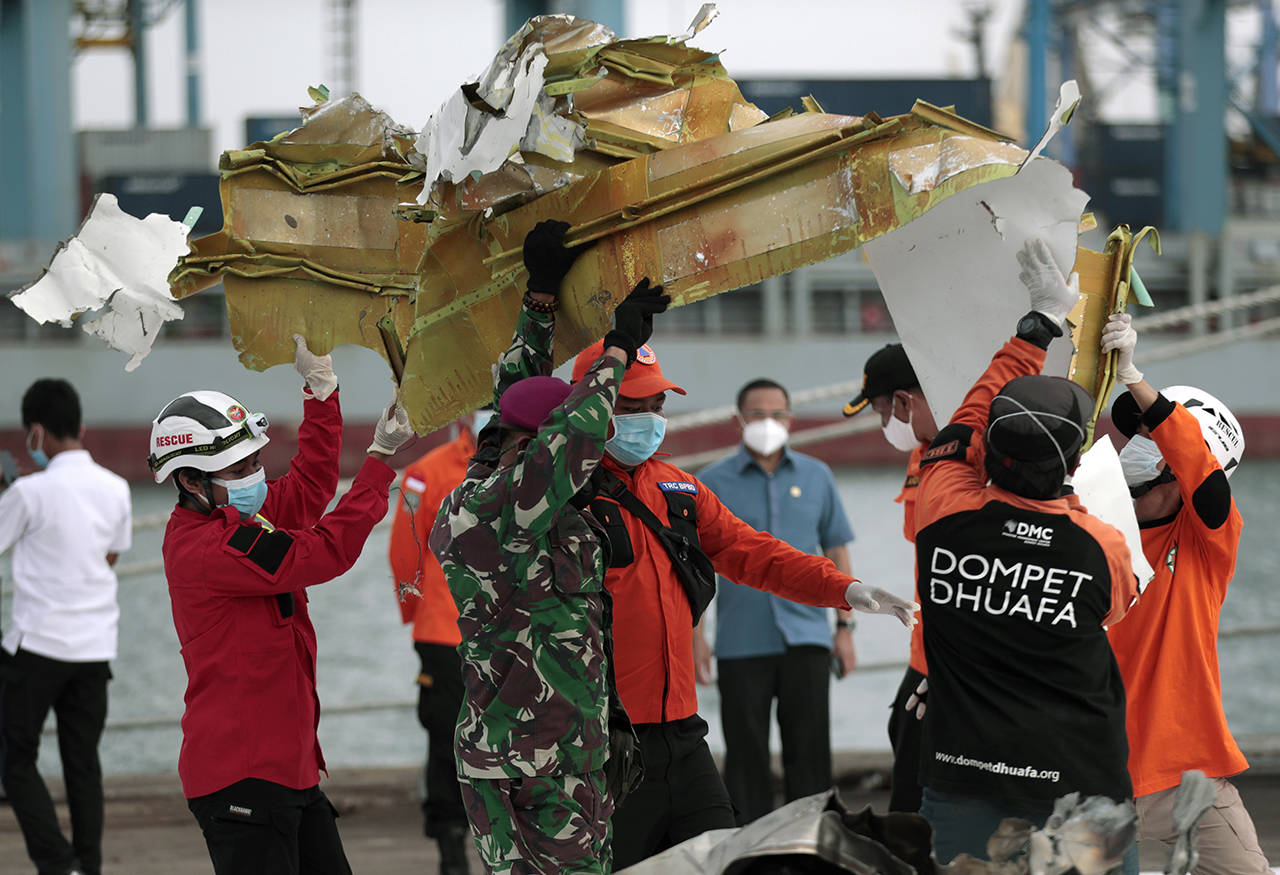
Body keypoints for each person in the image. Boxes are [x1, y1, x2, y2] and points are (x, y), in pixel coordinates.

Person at [568, 340, 917, 869]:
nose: (648, 420)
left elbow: (754, 552)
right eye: (630, 408)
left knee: (726, 860)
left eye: (656, 407)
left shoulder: (678, 488)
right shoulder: (556, 503)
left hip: (683, 737)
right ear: (590, 406)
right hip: (604, 742)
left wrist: (843, 590)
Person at [429, 220, 667, 875]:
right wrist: (618, 346)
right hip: (542, 764)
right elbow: (571, 432)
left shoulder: (487, 488)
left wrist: (540, 294)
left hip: (531, 748)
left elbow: (519, 399)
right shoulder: (505, 504)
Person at [148, 335, 413, 875]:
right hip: (242, 778)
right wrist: (380, 459)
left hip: (287, 771)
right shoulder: (210, 548)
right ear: (190, 480)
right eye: (237, 469)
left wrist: (322, 391)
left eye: (253, 462)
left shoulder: (240, 521)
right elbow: (325, 551)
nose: (253, 478)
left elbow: (310, 487)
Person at [911, 238, 1138, 864]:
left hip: (962, 779)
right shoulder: (1101, 545)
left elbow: (967, 419)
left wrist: (1035, 324)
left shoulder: (941, 512)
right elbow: (1114, 611)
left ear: (989, 452)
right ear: (1073, 462)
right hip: (1079, 788)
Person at [1101, 312, 1269, 871]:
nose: (1130, 441)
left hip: (1188, 778)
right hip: (1090, 776)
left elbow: (1205, 481)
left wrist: (1135, 379)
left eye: (1148, 431)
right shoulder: (1087, 522)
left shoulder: (1207, 543)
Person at [694, 378, 857, 823]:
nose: (768, 422)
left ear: (791, 418)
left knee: (811, 755)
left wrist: (845, 629)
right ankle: (751, 853)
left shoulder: (817, 475)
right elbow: (694, 567)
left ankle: (815, 844)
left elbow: (837, 551)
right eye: (757, 414)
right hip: (740, 642)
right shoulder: (710, 482)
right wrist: (697, 639)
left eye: (777, 413)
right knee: (745, 760)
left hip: (808, 637)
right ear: (738, 420)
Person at [0, 378, 131, 875]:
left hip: (37, 645)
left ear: (36, 433)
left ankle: (58, 866)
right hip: (95, 649)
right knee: (83, 764)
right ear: (80, 426)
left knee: (16, 762)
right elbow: (110, 555)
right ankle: (88, 867)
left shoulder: (30, 492)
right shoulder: (117, 488)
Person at [389, 410, 491, 875]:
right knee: (448, 741)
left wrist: (417, 611)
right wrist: (420, 614)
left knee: (451, 741)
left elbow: (404, 550)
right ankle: (452, 850)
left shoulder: (424, 473)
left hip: (479, 632)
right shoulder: (424, 475)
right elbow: (404, 550)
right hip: (451, 634)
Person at [842, 343, 938, 813]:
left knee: (917, 804)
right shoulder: (924, 454)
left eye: (883, 411)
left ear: (905, 401)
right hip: (925, 653)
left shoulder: (962, 457)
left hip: (947, 660)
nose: (884, 425)